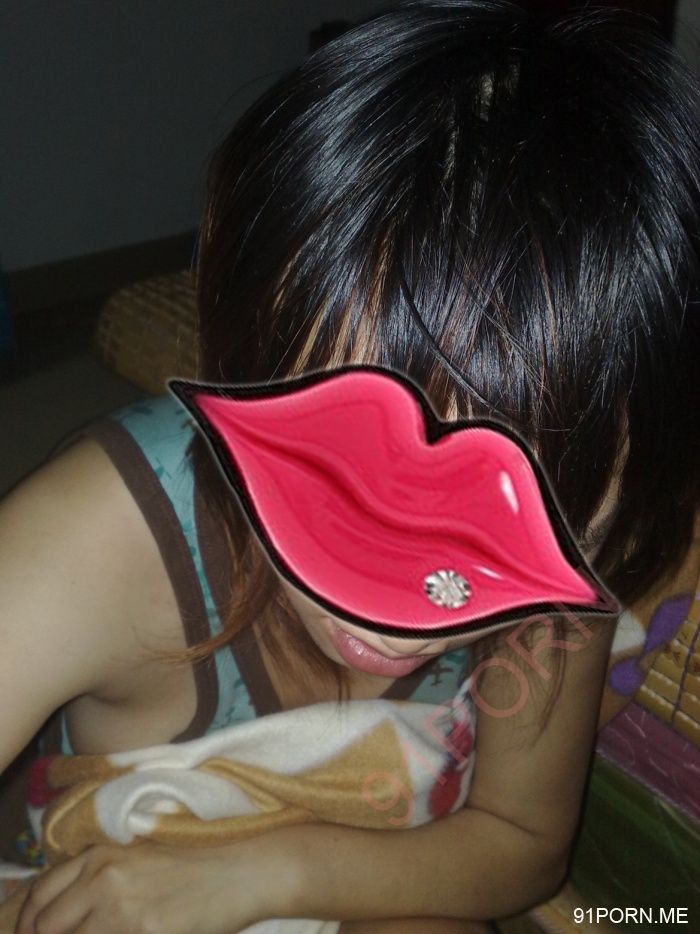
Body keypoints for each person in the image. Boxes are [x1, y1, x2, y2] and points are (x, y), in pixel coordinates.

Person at [1, 1, 698, 931]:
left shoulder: (568, 543)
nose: (405, 613)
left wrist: (262, 875)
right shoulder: (93, 538)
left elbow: (521, 841)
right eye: (348, 484)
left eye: (514, 518)